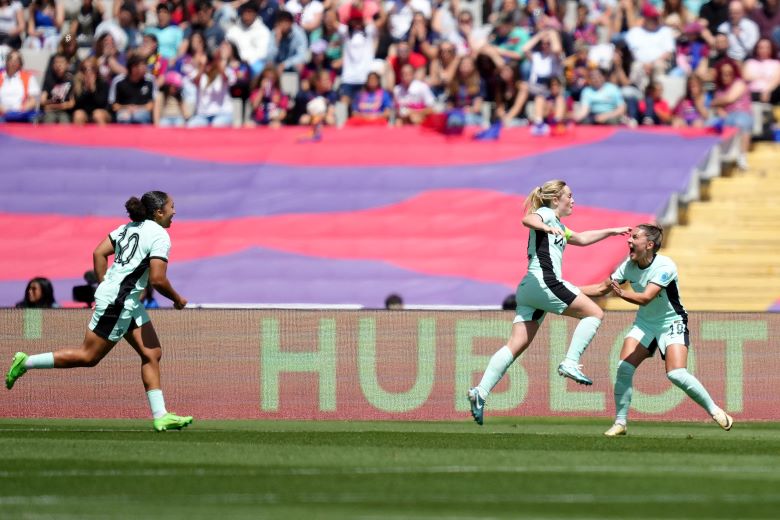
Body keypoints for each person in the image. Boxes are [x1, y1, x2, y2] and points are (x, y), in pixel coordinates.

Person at [5, 191, 193, 433]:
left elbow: (98, 252)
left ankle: (161, 416)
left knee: (152, 353)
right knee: (88, 357)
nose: (174, 212)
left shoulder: (127, 228)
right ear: (158, 212)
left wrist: (105, 283)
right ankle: (26, 362)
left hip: (127, 301)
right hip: (118, 303)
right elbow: (157, 279)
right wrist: (177, 299)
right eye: (171, 207)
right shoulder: (159, 236)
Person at [467, 180, 630, 425]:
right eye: (570, 196)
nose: (573, 200)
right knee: (594, 313)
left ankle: (480, 391)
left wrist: (612, 231)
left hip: (529, 288)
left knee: (516, 344)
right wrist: (545, 227)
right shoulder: (545, 214)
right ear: (556, 200)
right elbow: (528, 220)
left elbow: (583, 238)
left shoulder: (558, 225)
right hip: (544, 281)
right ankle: (570, 362)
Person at [582, 224, 733, 436]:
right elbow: (600, 288)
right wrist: (567, 289)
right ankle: (620, 423)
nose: (629, 241)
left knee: (676, 374)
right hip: (645, 323)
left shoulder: (665, 266)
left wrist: (621, 294)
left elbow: (645, 298)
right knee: (623, 368)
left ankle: (715, 410)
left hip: (671, 321)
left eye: (635, 237)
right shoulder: (628, 266)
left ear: (649, 244)